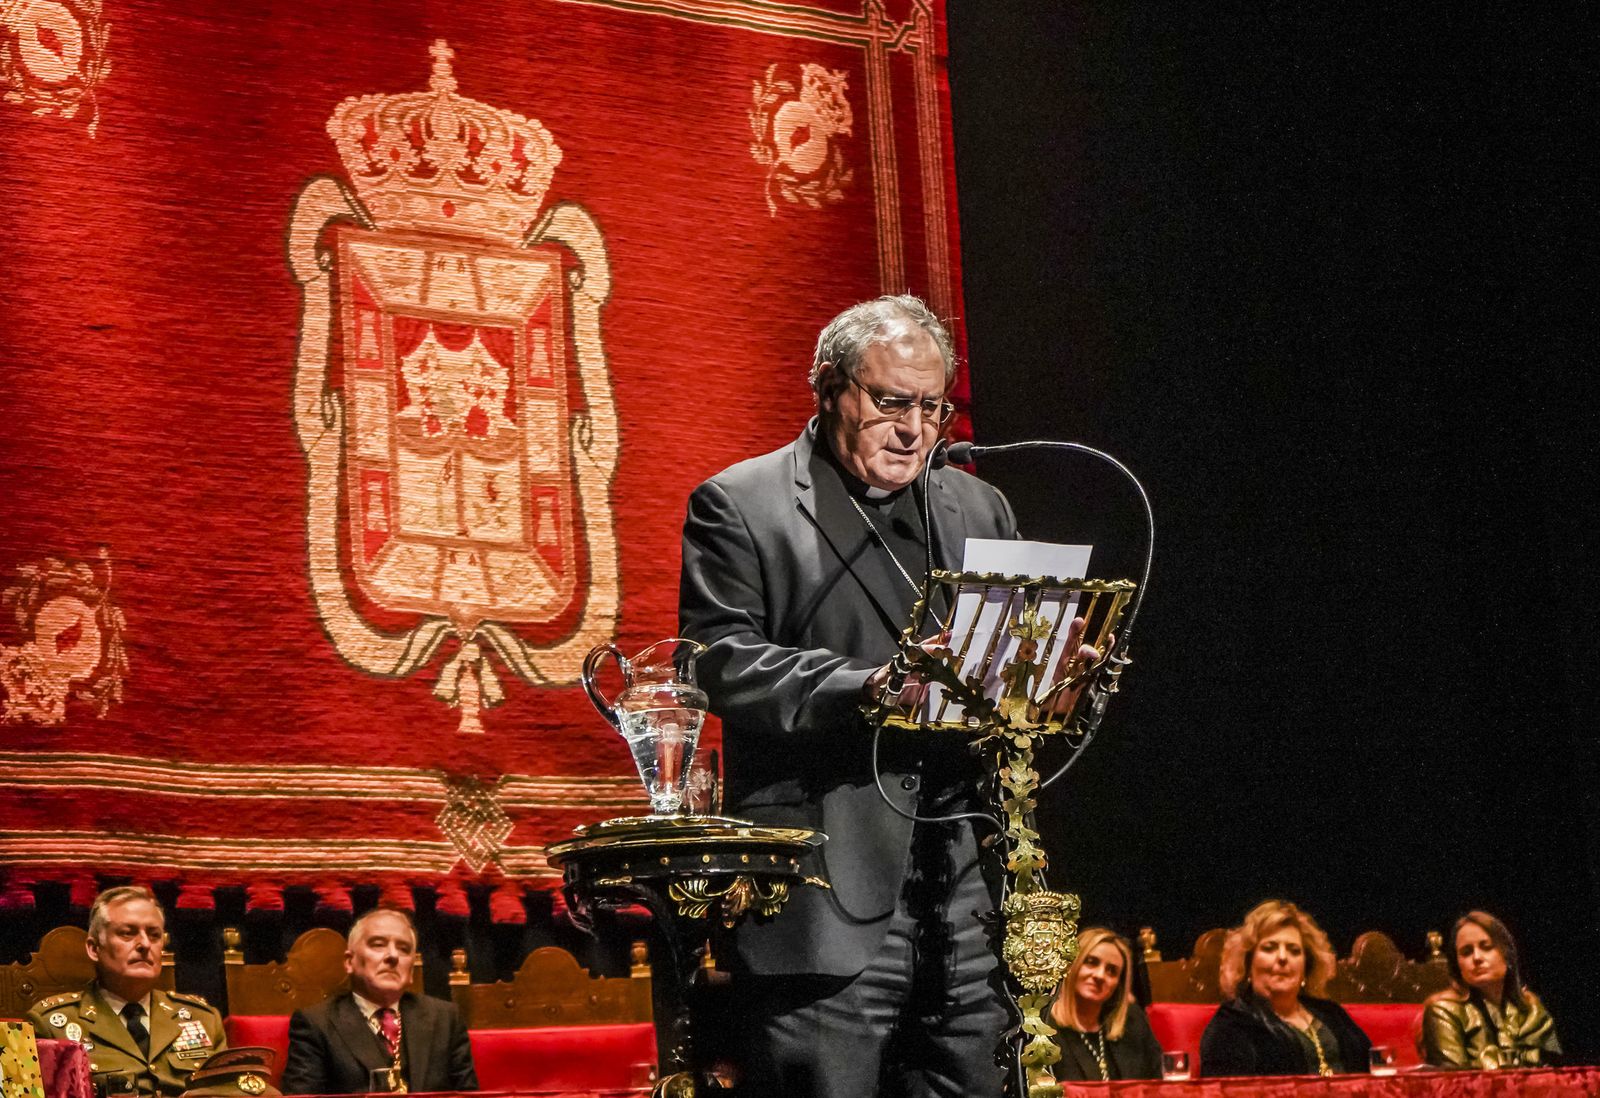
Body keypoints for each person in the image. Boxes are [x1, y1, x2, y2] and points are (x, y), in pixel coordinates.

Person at [679, 295, 1101, 1097]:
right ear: (831, 387)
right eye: (891, 402)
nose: (913, 429)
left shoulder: (979, 506)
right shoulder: (744, 503)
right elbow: (716, 662)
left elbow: (1000, 682)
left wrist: (1048, 680)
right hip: (822, 897)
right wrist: (867, 686)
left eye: (933, 407)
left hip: (969, 896)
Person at [27, 886, 227, 1097]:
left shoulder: (203, 1018)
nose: (144, 944)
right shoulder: (51, 1024)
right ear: (94, 949)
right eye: (127, 933)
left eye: (154, 935)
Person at [280, 908, 477, 1094]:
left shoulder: (446, 1019)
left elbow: (468, 1096)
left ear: (410, 971)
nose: (392, 956)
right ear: (350, 962)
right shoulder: (316, 1024)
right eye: (378, 944)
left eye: (404, 949)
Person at [1198, 900, 1372, 1077]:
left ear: (1306, 967)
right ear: (1248, 963)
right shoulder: (1231, 1024)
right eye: (1269, 948)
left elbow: (1376, 1072)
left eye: (1294, 951)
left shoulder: (1332, 1013)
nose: (1282, 957)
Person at [1421, 910, 1561, 1069]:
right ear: (1458, 967)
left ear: (1507, 956)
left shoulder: (1532, 1010)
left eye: (1486, 947)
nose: (1477, 957)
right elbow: (1454, 1083)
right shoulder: (1443, 1011)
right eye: (1466, 952)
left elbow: (1559, 1072)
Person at [1048, 928, 1161, 1081]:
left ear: (1118, 985)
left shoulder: (1132, 1021)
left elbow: (1157, 1082)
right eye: (1091, 962)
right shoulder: (1043, 1028)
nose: (1100, 975)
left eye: (1112, 971)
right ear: (1071, 966)